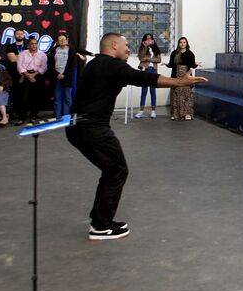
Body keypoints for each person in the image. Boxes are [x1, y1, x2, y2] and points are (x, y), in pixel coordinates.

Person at [67, 32, 207, 240]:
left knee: (111, 170)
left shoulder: (95, 65)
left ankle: (99, 220)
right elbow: (143, 78)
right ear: (114, 45)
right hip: (93, 128)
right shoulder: (112, 66)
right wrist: (179, 82)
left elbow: (135, 76)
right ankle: (101, 225)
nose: (128, 49)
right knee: (116, 170)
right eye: (125, 45)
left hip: (77, 127)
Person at [47, 34, 84, 120]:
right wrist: (57, 74)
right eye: (60, 40)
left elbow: (72, 65)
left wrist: (64, 75)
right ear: (57, 42)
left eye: (64, 39)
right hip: (57, 77)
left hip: (67, 77)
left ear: (67, 40)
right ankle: (57, 116)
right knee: (57, 97)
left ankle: (66, 117)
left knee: (67, 97)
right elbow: (50, 64)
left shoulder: (71, 50)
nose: (62, 41)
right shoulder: (54, 50)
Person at [15, 37, 47, 126]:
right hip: (25, 76)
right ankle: (22, 117)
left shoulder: (42, 55)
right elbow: (19, 66)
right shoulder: (22, 54)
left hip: (37, 76)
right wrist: (28, 75)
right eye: (32, 44)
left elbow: (43, 67)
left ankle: (33, 116)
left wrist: (34, 75)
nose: (34, 45)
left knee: (36, 97)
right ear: (28, 45)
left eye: (35, 44)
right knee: (24, 97)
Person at [166, 37, 199, 121]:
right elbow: (171, 64)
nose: (182, 44)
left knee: (186, 95)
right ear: (178, 43)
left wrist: (196, 64)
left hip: (186, 76)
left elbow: (192, 65)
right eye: (181, 42)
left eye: (184, 42)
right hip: (176, 75)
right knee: (176, 94)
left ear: (186, 43)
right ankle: (175, 114)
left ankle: (187, 114)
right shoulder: (174, 53)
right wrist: (165, 64)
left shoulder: (190, 53)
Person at [134, 34, 162, 119]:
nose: (149, 40)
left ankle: (153, 111)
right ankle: (141, 111)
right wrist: (145, 47)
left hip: (153, 70)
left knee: (152, 91)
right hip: (144, 70)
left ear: (152, 39)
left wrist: (148, 59)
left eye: (150, 38)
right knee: (144, 90)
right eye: (147, 39)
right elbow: (141, 58)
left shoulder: (156, 49)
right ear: (144, 40)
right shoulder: (142, 48)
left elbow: (159, 60)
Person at [3, 28, 28, 118]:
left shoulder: (27, 46)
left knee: (26, 93)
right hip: (14, 73)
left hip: (27, 73)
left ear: (24, 35)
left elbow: (32, 57)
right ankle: (16, 112)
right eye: (18, 33)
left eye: (21, 33)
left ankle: (26, 112)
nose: (20, 35)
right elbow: (12, 59)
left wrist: (18, 56)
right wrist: (25, 56)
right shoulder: (10, 46)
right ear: (14, 35)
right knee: (16, 93)